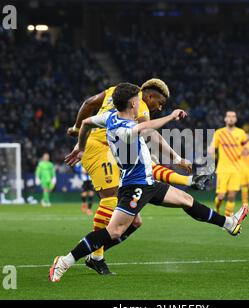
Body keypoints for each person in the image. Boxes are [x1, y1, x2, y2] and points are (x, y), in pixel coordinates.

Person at [50, 83, 248, 282]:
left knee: (186, 199)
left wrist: (81, 147)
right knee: (114, 231)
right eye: (138, 99)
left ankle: (229, 224)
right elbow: (145, 127)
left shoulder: (109, 118)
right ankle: (65, 261)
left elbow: (85, 122)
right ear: (134, 103)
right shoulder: (125, 129)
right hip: (135, 186)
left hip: (147, 183)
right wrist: (171, 116)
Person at [65, 78, 211, 275]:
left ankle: (96, 254)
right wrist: (176, 157)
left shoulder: (115, 91)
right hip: (99, 149)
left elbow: (89, 103)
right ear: (149, 96)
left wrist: (76, 129)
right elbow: (150, 132)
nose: (159, 108)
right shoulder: (139, 104)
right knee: (110, 197)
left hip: (114, 150)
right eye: (159, 103)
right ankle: (93, 256)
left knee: (135, 221)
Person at [207, 111, 249, 217]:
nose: (231, 118)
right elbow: (212, 147)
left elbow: (245, 148)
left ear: (236, 119)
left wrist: (245, 151)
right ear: (225, 119)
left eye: (233, 116)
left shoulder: (241, 133)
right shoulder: (219, 133)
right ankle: (217, 209)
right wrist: (210, 150)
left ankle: (227, 218)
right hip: (223, 169)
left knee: (231, 195)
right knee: (221, 196)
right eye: (229, 116)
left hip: (236, 169)